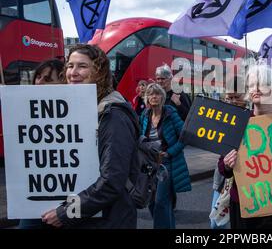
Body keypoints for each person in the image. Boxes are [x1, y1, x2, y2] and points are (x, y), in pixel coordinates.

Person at [41, 44, 140, 229]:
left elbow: (111, 181)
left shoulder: (113, 115)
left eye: (82, 66)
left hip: (110, 220)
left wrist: (65, 213)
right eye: (70, 66)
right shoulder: (82, 109)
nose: (73, 72)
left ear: (99, 72)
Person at [218, 64, 272, 229]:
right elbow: (222, 167)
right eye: (251, 85)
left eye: (261, 84)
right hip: (244, 204)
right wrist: (228, 164)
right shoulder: (238, 122)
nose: (255, 89)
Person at [18, 59, 65, 229]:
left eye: (47, 79)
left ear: (63, 81)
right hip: (33, 197)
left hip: (65, 200)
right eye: (38, 77)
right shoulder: (24, 111)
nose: (39, 82)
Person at [139, 83, 191, 229]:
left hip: (166, 164)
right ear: (147, 98)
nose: (154, 96)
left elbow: (185, 136)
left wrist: (169, 152)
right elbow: (137, 136)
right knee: (151, 202)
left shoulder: (170, 113)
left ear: (162, 97)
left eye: (157, 94)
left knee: (161, 201)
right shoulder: (144, 116)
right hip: (149, 164)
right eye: (151, 94)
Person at [210, 76, 247, 229]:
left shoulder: (252, 116)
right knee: (215, 223)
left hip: (243, 178)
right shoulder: (223, 116)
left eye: (236, 97)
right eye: (228, 97)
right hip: (223, 178)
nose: (232, 101)